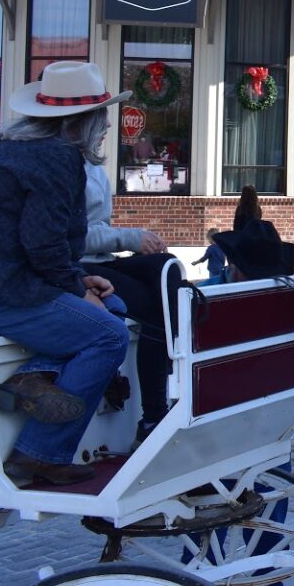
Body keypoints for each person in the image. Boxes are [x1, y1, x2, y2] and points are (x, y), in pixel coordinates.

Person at [0, 61, 131, 486]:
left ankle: (32, 377)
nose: (107, 127)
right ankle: (40, 452)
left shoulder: (7, 150)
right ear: (84, 122)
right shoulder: (57, 159)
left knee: (114, 302)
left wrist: (79, 282)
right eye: (102, 118)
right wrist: (76, 289)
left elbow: (33, 242)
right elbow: (42, 244)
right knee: (109, 334)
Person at [80, 156, 181, 449]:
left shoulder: (95, 167)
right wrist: (130, 238)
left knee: (167, 267)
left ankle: (174, 361)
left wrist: (133, 241)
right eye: (100, 120)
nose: (107, 127)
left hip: (103, 259)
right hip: (74, 265)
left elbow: (99, 229)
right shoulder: (63, 166)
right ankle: (154, 414)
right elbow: (71, 237)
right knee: (153, 308)